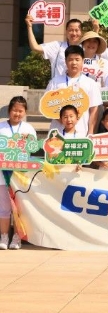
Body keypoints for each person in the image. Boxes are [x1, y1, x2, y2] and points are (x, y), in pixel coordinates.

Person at [0, 96, 37, 250]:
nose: (17, 113)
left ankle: (17, 237)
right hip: (2, 174)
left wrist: (28, 142)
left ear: (25, 112)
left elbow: (34, 149)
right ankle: (4, 236)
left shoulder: (28, 128)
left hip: (21, 176)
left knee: (19, 208)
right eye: (15, 110)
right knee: (4, 207)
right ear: (9, 110)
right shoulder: (1, 127)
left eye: (21, 111)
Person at [45, 45, 102, 136]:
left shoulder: (90, 83)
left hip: (81, 133)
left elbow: (94, 110)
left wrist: (90, 131)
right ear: (65, 61)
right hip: (57, 133)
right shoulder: (55, 82)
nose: (74, 63)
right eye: (70, 59)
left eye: (77, 59)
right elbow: (47, 106)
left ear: (83, 61)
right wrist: (62, 120)